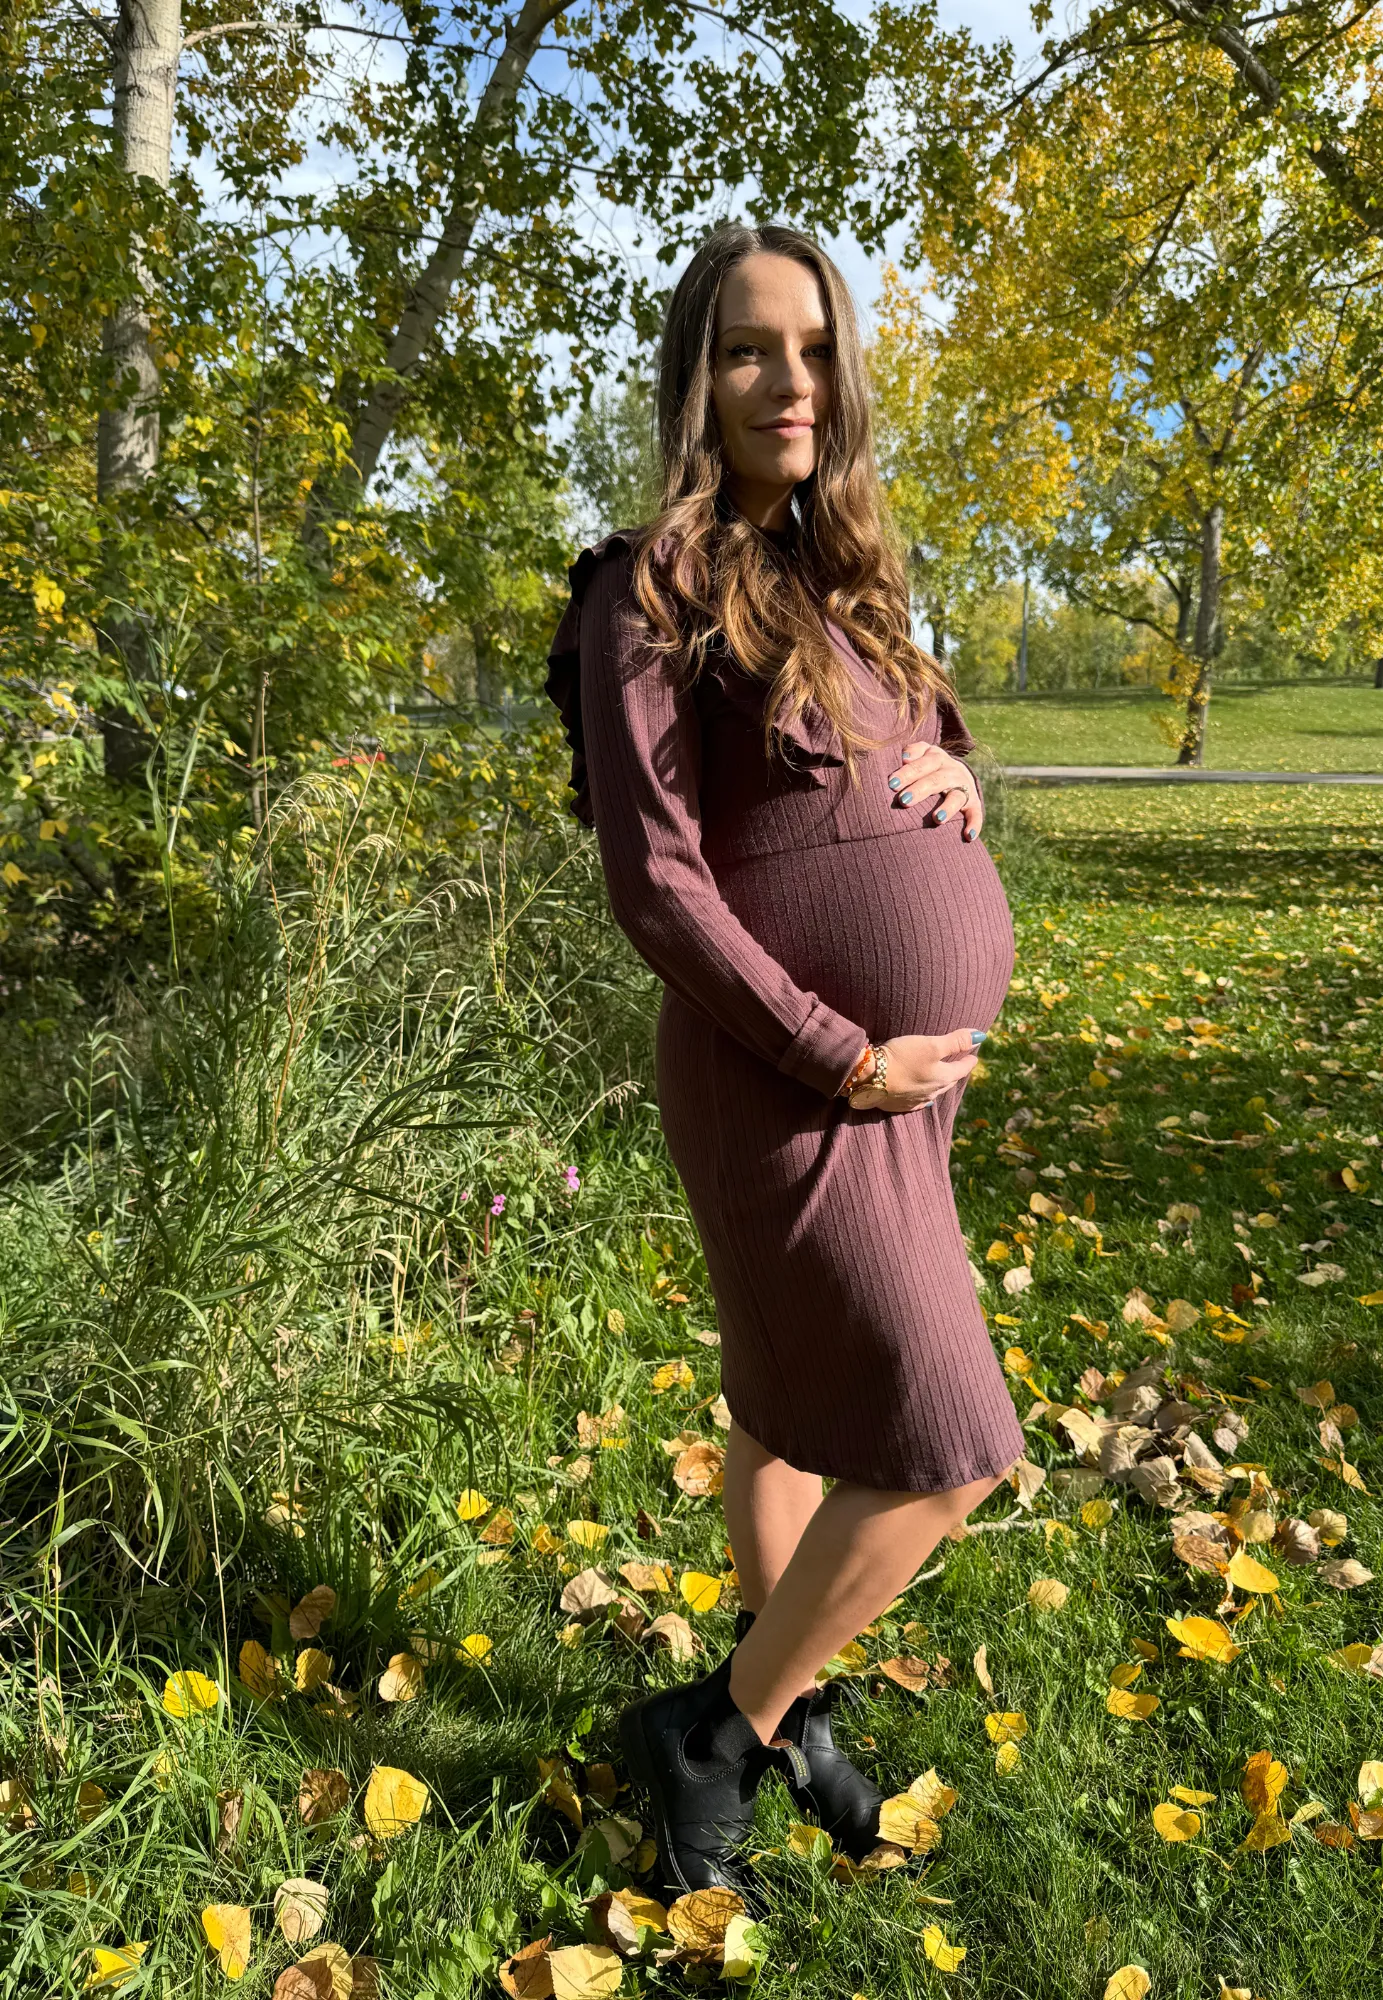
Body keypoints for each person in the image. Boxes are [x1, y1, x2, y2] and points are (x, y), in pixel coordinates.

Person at [544, 222, 1024, 1907]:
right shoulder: (643, 588)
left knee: (786, 1407)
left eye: (815, 347)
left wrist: (966, 785)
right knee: (950, 1443)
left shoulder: (847, 576)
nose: (789, 382)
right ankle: (722, 1735)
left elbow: (925, 743)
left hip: (901, 1083)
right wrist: (839, 1053)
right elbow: (655, 879)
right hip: (785, 1084)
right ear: (697, 375)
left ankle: (789, 1697)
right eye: (751, 349)